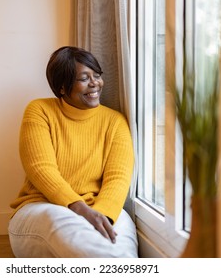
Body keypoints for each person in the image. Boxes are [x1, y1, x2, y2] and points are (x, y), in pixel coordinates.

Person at [8, 46, 138, 258]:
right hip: (42, 207)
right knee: (86, 240)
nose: (95, 83)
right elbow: (41, 169)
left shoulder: (115, 121)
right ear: (62, 87)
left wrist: (101, 216)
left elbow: (119, 178)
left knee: (120, 248)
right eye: (84, 78)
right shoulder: (40, 111)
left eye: (97, 75)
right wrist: (83, 211)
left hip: (102, 206)